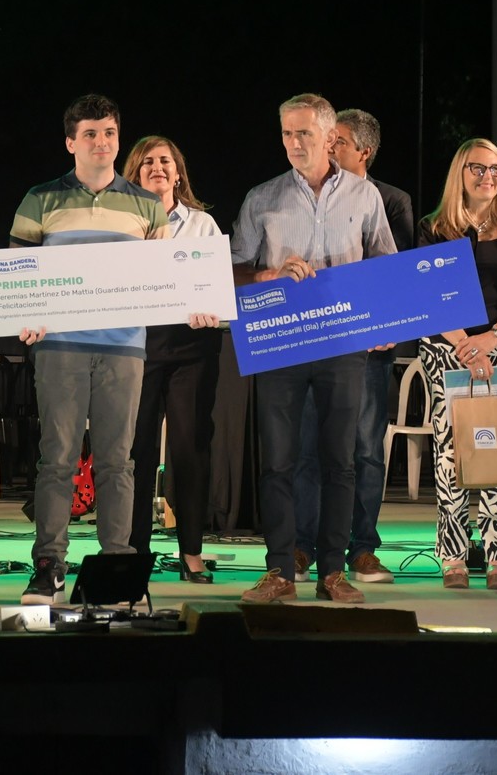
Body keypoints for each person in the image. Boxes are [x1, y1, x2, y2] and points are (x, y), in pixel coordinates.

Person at [232, 94, 397, 604]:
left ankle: (333, 573)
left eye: (303, 133)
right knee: (278, 460)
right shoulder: (262, 197)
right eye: (286, 133)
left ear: (329, 138)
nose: (293, 143)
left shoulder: (365, 196)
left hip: (344, 342)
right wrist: (269, 274)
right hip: (282, 341)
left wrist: (385, 321)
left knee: (340, 461)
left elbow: (385, 266)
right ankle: (280, 571)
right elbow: (232, 272)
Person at [12, 94, 167, 605]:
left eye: (109, 133)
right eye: (91, 134)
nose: (102, 143)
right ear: (70, 143)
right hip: (61, 347)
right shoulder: (40, 198)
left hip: (125, 347)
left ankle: (116, 567)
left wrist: (197, 303)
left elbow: (169, 278)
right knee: (56, 459)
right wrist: (24, 315)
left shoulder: (147, 205)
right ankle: (49, 566)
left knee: (118, 462)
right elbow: (18, 272)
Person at [291, 108, 415, 584]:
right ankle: (303, 545)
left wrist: (384, 322)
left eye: (337, 141)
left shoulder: (391, 200)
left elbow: (394, 272)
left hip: (366, 349)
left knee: (364, 448)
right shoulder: (300, 193)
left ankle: (362, 547)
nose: (327, 148)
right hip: (310, 341)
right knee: (307, 446)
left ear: (363, 151)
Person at [416, 137, 497, 590]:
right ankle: (452, 556)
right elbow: (426, 295)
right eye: (478, 168)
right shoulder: (434, 228)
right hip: (447, 350)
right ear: (460, 173)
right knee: (451, 455)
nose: (488, 176)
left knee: (496, 453)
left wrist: (491, 339)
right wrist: (465, 344)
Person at [121, 136, 225, 583]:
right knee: (137, 450)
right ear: (134, 174)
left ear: (178, 172)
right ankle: (133, 551)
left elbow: (218, 287)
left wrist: (212, 307)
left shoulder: (202, 225)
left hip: (192, 347)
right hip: (136, 344)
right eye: (147, 162)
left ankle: (192, 553)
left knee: (190, 449)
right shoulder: (120, 222)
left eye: (165, 161)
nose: (157, 167)